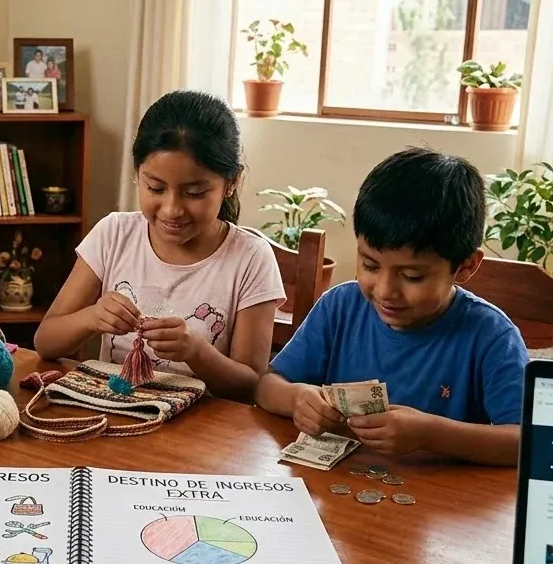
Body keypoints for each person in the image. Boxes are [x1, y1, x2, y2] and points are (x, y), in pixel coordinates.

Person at [253, 147, 527, 466]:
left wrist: (431, 433)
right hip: (337, 492)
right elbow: (267, 386)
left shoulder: (491, 336)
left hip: (442, 504)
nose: (385, 291)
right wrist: (297, 399)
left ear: (466, 267)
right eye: (370, 265)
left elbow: (528, 442)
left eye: (412, 275)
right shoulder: (339, 307)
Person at [33, 89, 285, 401]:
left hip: (204, 435)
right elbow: (46, 342)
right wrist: (92, 317)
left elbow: (250, 384)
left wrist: (195, 351)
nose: (171, 209)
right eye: (155, 187)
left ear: (231, 183)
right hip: (115, 415)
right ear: (138, 174)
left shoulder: (250, 258)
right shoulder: (115, 234)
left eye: (194, 192)